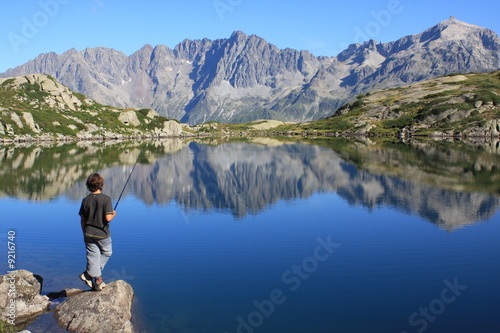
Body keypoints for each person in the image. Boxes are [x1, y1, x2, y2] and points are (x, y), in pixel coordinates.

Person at [78, 173, 117, 291]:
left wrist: (84, 231)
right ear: (101, 185)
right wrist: (114, 213)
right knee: (107, 252)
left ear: (88, 186)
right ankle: (90, 275)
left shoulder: (85, 200)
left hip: (88, 233)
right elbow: (108, 218)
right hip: (102, 234)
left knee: (93, 256)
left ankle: (95, 278)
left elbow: (83, 219)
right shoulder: (106, 199)